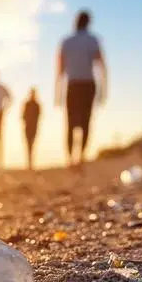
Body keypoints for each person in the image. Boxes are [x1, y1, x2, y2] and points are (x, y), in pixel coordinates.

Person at [55, 10, 107, 169]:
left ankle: (71, 158)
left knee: (70, 122)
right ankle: (81, 157)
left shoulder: (66, 41)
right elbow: (102, 66)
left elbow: (59, 70)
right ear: (88, 23)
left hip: (73, 85)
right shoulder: (93, 40)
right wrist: (103, 89)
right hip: (87, 84)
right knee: (85, 121)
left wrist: (57, 92)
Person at [22, 88, 41, 170]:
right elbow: (23, 115)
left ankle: (31, 163)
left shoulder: (36, 104)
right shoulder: (28, 104)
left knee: (31, 145)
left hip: (33, 127)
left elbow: (38, 115)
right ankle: (29, 163)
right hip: (28, 127)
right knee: (29, 145)